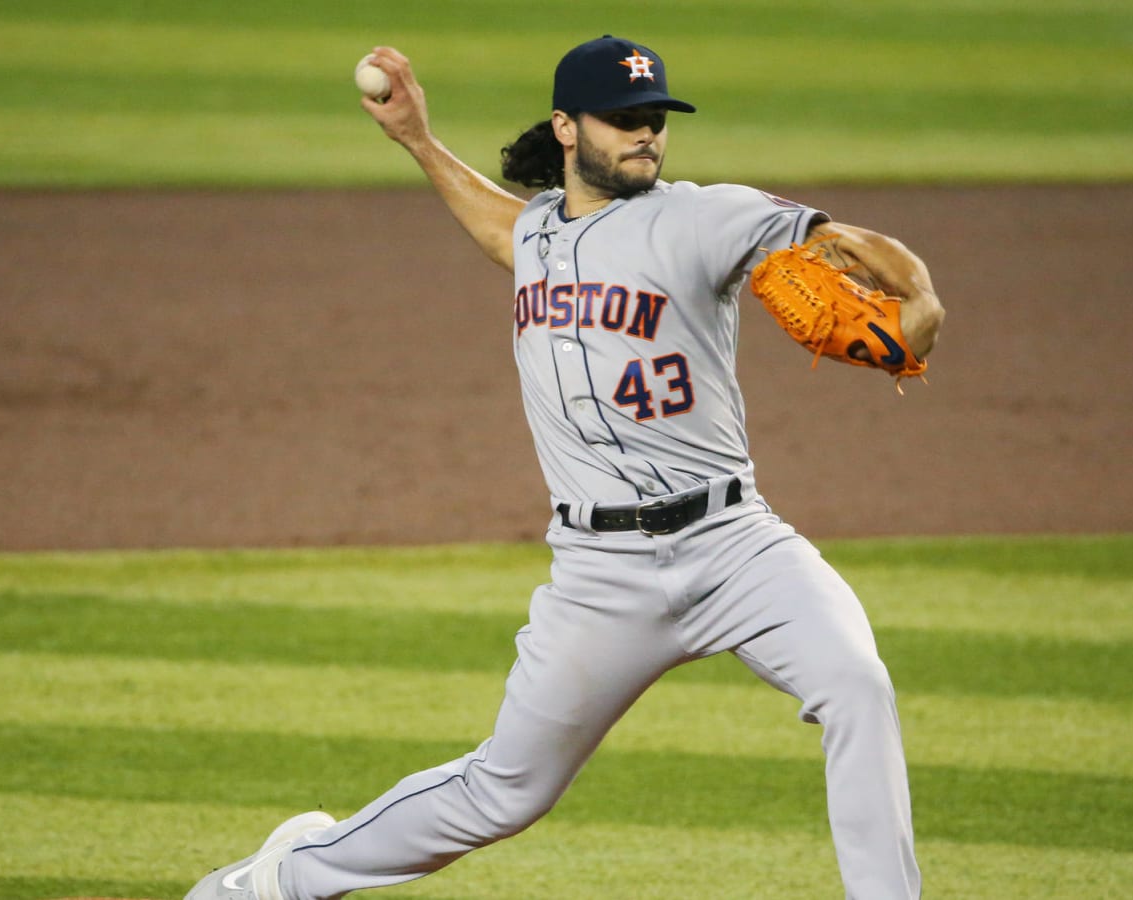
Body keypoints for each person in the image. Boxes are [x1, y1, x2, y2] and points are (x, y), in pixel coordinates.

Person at [185, 35, 944, 900]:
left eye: (654, 119)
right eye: (623, 121)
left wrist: (920, 296)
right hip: (601, 576)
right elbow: (504, 229)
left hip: (736, 545)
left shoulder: (705, 216)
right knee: (504, 791)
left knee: (857, 684)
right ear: (567, 128)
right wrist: (420, 143)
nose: (645, 135)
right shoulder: (541, 228)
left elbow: (847, 241)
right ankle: (277, 879)